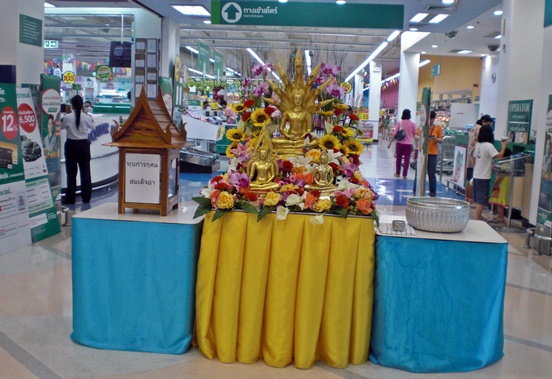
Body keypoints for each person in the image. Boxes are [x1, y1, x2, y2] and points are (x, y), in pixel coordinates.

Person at [60, 95, 95, 205]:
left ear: (72, 104)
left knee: (71, 173)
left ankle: (70, 198)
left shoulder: (67, 117)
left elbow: (60, 126)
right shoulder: (87, 117)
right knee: (85, 172)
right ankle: (86, 197)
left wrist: (66, 113)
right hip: (84, 145)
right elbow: (93, 127)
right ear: (82, 104)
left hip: (71, 145)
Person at [472, 124, 508, 221]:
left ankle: (478, 215)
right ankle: (477, 216)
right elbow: (499, 156)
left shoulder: (478, 145)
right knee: (482, 198)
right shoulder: (489, 146)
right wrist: (504, 146)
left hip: (476, 174)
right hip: (484, 176)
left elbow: (474, 159)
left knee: (478, 197)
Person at [413, 111, 443, 196]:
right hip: (422, 152)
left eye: (432, 119)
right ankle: (415, 190)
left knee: (431, 174)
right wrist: (423, 138)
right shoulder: (422, 127)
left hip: (432, 153)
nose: (431, 121)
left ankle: (432, 192)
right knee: (418, 172)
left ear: (434, 119)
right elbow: (416, 136)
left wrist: (435, 139)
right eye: (429, 119)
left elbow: (441, 140)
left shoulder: (438, 128)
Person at [465, 115, 492, 203]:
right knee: (473, 179)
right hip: (476, 157)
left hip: (470, 155)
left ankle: (467, 198)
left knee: (469, 179)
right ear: (484, 121)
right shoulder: (480, 128)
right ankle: (472, 199)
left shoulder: (474, 127)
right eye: (488, 124)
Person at [387, 109, 416, 179]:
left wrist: (390, 143)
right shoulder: (413, 124)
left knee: (399, 158)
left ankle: (397, 173)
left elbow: (395, 133)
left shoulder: (400, 123)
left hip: (400, 143)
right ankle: (405, 175)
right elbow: (414, 135)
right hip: (409, 144)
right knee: (407, 159)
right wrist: (417, 143)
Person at [488, 148, 513, 224]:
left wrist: (495, 183)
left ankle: (500, 217)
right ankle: (499, 216)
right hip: (504, 185)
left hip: (501, 185)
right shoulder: (508, 164)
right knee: (500, 201)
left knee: (500, 202)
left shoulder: (504, 165)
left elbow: (500, 176)